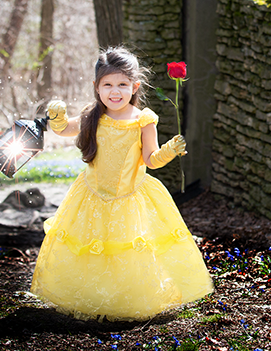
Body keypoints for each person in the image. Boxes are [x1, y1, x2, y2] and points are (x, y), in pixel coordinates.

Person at [30, 46, 213, 321]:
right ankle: (93, 295)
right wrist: (56, 119)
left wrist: (169, 150)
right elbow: (65, 129)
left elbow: (151, 160)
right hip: (91, 195)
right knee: (92, 248)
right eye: (108, 85)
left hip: (130, 197)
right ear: (96, 87)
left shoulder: (143, 120)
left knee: (127, 250)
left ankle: (126, 299)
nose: (114, 92)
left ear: (134, 86)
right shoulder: (92, 116)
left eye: (122, 85)